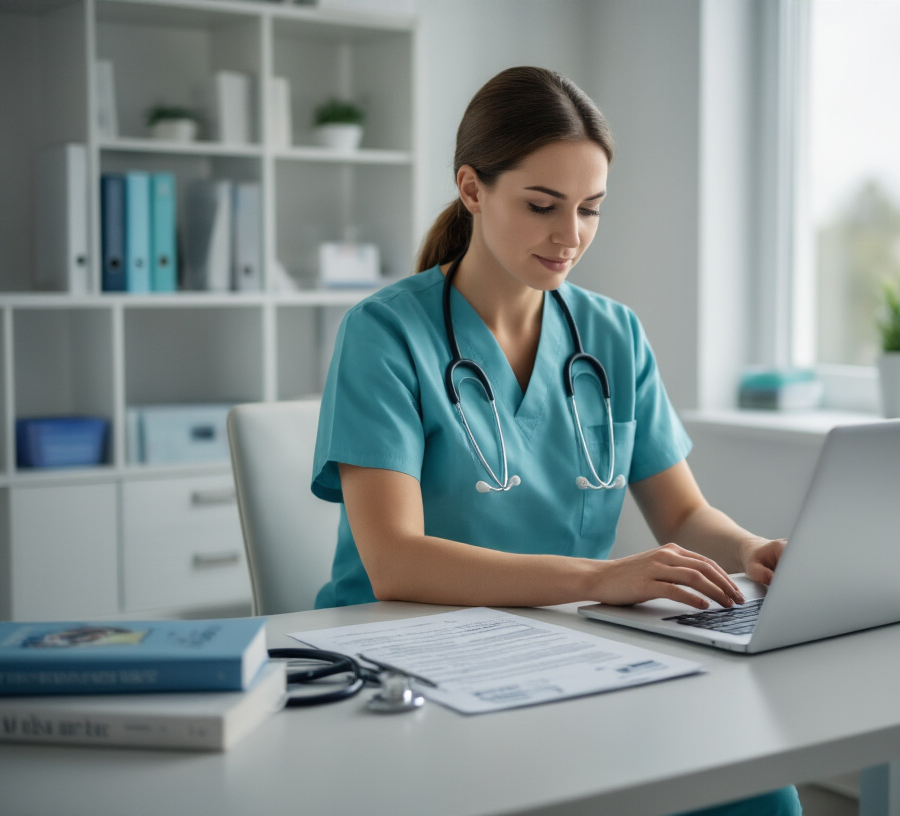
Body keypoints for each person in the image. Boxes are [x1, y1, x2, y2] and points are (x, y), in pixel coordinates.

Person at [311, 66, 801, 816]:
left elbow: (681, 515)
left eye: (590, 209)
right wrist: (596, 581)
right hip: (404, 653)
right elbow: (392, 562)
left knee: (756, 789)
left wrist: (748, 549)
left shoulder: (613, 333)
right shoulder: (384, 335)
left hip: (565, 647)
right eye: (542, 205)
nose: (569, 236)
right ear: (472, 190)